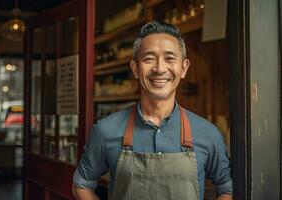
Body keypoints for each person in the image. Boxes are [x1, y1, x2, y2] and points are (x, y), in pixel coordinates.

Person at [72, 21, 232, 200]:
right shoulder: (106, 130)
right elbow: (81, 184)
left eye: (170, 58)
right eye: (149, 58)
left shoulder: (208, 134)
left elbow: (227, 189)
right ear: (135, 68)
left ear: (184, 68)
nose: (159, 68)